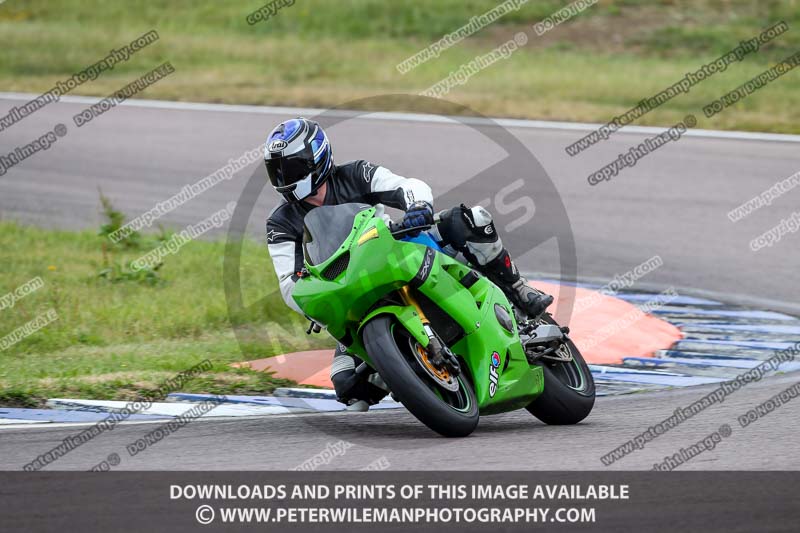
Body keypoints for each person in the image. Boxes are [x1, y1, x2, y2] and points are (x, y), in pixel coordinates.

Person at [265, 118, 553, 408]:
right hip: (349, 293)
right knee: (348, 387)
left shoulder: (355, 174)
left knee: (471, 219)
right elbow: (290, 285)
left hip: (396, 250)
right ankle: (411, 371)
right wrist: (316, 302)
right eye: (276, 170)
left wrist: (418, 207)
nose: (283, 177)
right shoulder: (279, 223)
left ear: (316, 158)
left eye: (289, 168)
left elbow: (406, 186)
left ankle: (517, 289)